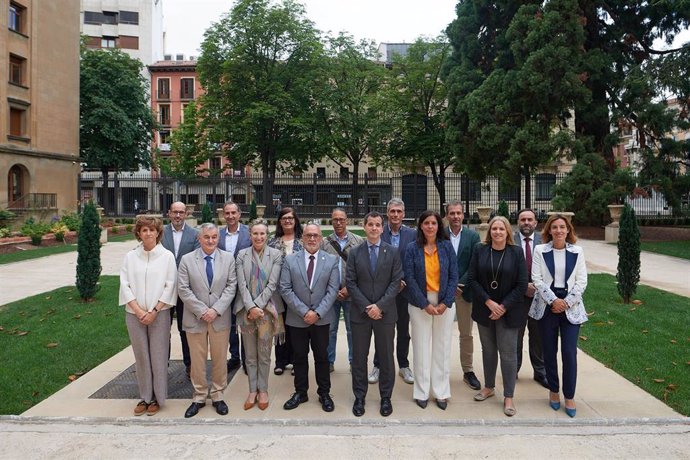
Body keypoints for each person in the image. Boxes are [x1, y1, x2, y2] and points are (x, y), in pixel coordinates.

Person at [529, 214, 588, 418]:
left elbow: (582, 281)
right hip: (547, 307)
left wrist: (566, 302)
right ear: (549, 230)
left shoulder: (577, 251)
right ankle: (554, 391)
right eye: (555, 227)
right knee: (549, 352)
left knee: (569, 353)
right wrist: (554, 301)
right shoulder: (540, 250)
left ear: (568, 230)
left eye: (562, 227)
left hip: (570, 308)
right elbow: (536, 279)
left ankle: (569, 395)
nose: (559, 230)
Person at [119, 215, 178, 416]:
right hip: (134, 314)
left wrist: (153, 311)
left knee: (158, 356)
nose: (148, 233)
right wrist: (137, 310)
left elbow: (171, 285)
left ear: (158, 233)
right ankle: (145, 397)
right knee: (142, 356)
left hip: (159, 314)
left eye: (152, 230)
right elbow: (124, 284)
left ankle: (158, 398)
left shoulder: (167, 256)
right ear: (138, 233)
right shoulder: (130, 257)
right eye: (144, 230)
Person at [469, 216, 527, 417]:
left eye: (501, 229)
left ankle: (509, 396)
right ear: (489, 231)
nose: (497, 232)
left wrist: (502, 306)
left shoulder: (516, 252)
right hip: (485, 308)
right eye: (494, 229)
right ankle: (489, 386)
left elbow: (521, 284)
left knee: (508, 354)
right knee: (488, 350)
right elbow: (472, 279)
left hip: (509, 311)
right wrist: (489, 302)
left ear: (507, 232)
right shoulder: (480, 250)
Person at [346, 211, 403, 417]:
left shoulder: (393, 252)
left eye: (378, 225)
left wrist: (379, 306)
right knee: (360, 358)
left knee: (387, 357)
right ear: (364, 226)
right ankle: (359, 397)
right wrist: (367, 307)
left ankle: (385, 397)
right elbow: (350, 282)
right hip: (361, 315)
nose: (374, 228)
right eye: (370, 224)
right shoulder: (355, 253)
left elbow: (396, 282)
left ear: (382, 227)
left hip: (385, 314)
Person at [178, 223, 237, 418]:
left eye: (214, 237)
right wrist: (203, 311)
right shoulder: (187, 260)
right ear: (199, 239)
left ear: (218, 238)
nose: (210, 240)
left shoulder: (228, 259)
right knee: (197, 360)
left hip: (220, 318)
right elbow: (183, 289)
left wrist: (216, 310)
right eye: (206, 237)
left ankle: (218, 395)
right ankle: (199, 396)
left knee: (220, 358)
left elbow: (231, 286)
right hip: (196, 319)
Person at [279, 221, 339, 412]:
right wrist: (305, 312)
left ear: (321, 239)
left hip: (322, 320)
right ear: (302, 238)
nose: (312, 239)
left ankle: (324, 393)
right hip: (298, 319)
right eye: (308, 235)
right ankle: (300, 392)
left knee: (322, 357)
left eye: (315, 236)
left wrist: (318, 313)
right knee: (299, 357)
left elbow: (332, 290)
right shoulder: (290, 260)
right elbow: (285, 289)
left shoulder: (331, 260)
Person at [404, 210, 458, 410]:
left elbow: (454, 276)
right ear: (420, 226)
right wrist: (424, 304)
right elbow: (409, 278)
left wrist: (446, 302)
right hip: (420, 303)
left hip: (444, 302)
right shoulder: (412, 248)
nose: (430, 227)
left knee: (442, 348)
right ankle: (421, 391)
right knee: (421, 347)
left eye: (433, 223)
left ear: (438, 226)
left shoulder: (446, 247)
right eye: (426, 223)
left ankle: (441, 392)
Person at [235, 219, 284, 411]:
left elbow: (273, 284)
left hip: (267, 312)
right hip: (247, 313)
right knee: (250, 355)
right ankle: (252, 390)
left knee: (264, 354)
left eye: (262, 233)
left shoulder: (276, 255)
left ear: (267, 235)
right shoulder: (241, 255)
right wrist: (250, 307)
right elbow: (241, 285)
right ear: (250, 235)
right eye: (255, 233)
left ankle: (263, 389)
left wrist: (259, 307)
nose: (259, 237)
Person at [370, 198, 417, 386]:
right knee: (381, 330)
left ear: (403, 214)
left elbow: (414, 260)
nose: (396, 214)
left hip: (405, 291)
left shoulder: (412, 235)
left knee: (404, 330)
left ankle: (403, 365)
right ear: (387, 213)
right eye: (392, 211)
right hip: (383, 292)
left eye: (399, 211)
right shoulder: (380, 232)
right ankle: (378, 365)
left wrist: (403, 280)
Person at [445, 200, 482, 391]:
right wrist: (449, 285)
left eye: (458, 213)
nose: (456, 217)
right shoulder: (440, 234)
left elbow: (474, 264)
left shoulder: (472, 236)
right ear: (447, 215)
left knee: (466, 334)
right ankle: (440, 371)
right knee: (441, 334)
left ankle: (468, 371)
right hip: (444, 293)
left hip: (464, 292)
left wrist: (460, 283)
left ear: (463, 214)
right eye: (452, 213)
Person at [322, 207, 363, 373]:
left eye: (341, 219)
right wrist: (333, 290)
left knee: (352, 330)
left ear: (347, 220)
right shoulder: (324, 243)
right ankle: (329, 361)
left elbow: (362, 268)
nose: (338, 223)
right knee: (330, 330)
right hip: (331, 295)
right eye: (335, 220)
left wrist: (348, 289)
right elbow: (321, 269)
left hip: (351, 293)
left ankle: (354, 361)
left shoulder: (358, 241)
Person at [161, 201, 200, 377]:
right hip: (163, 290)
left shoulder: (194, 234)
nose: (178, 216)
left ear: (186, 214)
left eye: (181, 212)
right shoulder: (160, 233)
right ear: (169, 213)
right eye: (175, 212)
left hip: (186, 291)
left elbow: (196, 261)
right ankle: (162, 363)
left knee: (186, 329)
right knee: (162, 329)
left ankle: (190, 363)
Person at [514, 209, 548, 388]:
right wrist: (522, 286)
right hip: (516, 298)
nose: (526, 223)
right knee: (515, 336)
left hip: (539, 297)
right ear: (518, 222)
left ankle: (540, 372)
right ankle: (513, 371)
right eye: (523, 220)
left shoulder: (545, 242)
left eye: (530, 220)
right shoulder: (508, 240)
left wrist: (538, 287)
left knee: (538, 336)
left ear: (535, 223)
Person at [268, 207, 303, 375]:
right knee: (279, 327)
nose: (288, 220)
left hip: (299, 292)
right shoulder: (272, 242)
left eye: (291, 217)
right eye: (284, 218)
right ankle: (280, 361)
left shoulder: (303, 241)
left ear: (295, 220)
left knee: (296, 329)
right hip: (278, 292)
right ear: (280, 222)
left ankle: (297, 362)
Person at [217, 201, 251, 373]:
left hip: (245, 285)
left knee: (245, 323)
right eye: (227, 213)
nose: (230, 216)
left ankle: (247, 360)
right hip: (224, 286)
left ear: (239, 214)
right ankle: (235, 357)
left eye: (233, 213)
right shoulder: (218, 235)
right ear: (224, 215)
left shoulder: (249, 233)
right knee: (229, 325)